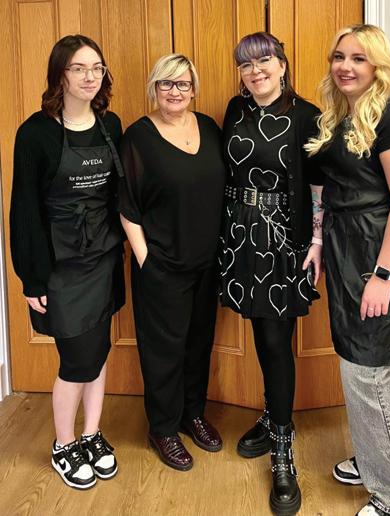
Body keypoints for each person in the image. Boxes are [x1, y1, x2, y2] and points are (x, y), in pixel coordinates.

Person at [305, 24, 390, 516]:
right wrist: (317, 240)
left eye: (358, 58)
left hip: (380, 253)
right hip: (345, 247)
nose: (345, 66)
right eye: (339, 57)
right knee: (356, 365)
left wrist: (384, 276)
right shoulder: (339, 115)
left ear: (378, 65)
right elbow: (327, 187)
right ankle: (376, 457)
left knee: (369, 371)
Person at [10, 35, 125, 490]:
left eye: (96, 68)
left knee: (98, 351)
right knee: (76, 358)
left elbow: (119, 195)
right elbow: (24, 210)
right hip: (60, 265)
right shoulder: (35, 133)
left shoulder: (110, 125)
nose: (89, 76)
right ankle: (64, 444)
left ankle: (91, 434)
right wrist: (31, 278)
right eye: (79, 68)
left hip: (103, 257)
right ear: (60, 74)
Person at [219, 32, 324, 515]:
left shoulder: (306, 115)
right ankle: (271, 414)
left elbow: (319, 186)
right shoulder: (235, 110)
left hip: (284, 240)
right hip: (240, 236)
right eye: (246, 64)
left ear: (282, 64)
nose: (255, 70)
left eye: (264, 61)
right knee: (262, 336)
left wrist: (317, 241)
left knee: (277, 342)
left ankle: (283, 451)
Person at [118, 54, 225, 472]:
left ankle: (192, 414)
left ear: (194, 89)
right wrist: (146, 261)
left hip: (207, 263)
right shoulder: (138, 137)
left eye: (182, 84)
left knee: (198, 342)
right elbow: (127, 206)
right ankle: (163, 427)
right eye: (166, 83)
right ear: (154, 89)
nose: (174, 91)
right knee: (163, 351)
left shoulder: (210, 129)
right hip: (161, 265)